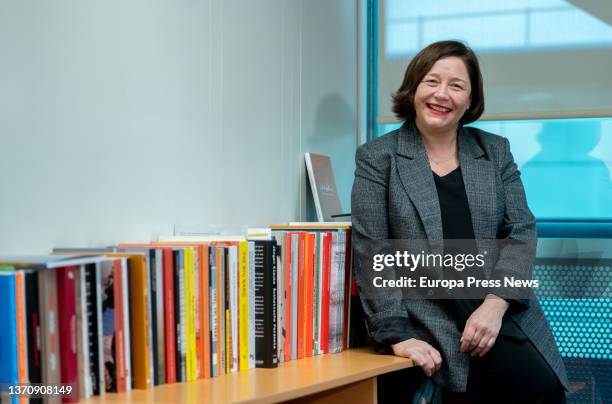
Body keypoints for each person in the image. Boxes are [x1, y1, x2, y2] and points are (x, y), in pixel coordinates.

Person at [351, 40, 568, 403]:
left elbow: (521, 230)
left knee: (541, 387)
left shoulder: (493, 150)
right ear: (413, 88)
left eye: (456, 86)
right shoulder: (379, 157)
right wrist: (397, 335)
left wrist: (495, 304)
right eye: (432, 81)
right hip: (427, 313)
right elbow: (372, 251)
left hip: (497, 306)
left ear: (470, 100)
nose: (442, 94)